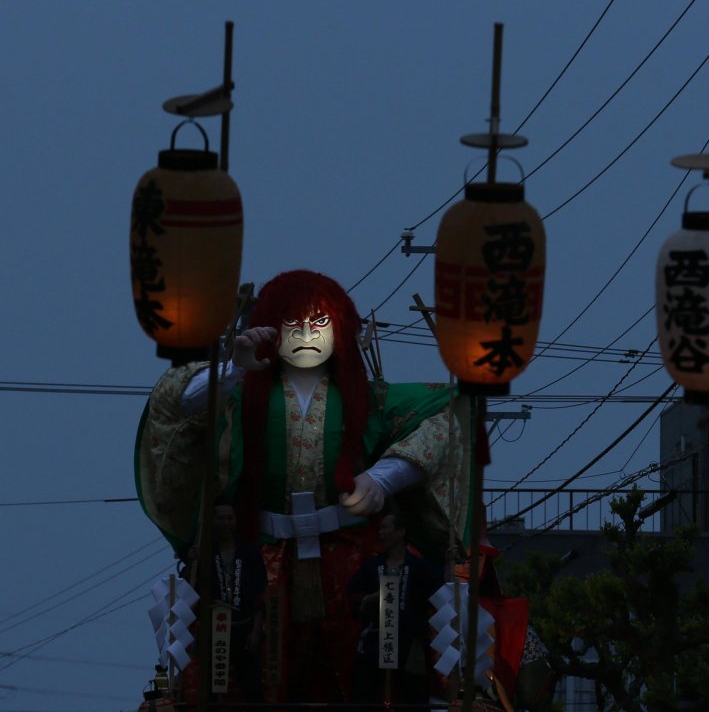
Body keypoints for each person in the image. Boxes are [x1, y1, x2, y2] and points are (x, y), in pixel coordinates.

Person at [135, 269, 473, 704]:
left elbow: (446, 417)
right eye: (294, 325)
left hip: (350, 549)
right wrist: (234, 369)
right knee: (255, 669)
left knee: (369, 667)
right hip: (265, 555)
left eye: (320, 324)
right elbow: (179, 403)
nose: (308, 336)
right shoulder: (239, 394)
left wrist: (385, 476)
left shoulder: (369, 399)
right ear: (270, 330)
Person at [346, 512, 443, 708]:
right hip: (375, 641)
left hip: (409, 644)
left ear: (400, 532)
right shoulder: (372, 565)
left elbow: (440, 592)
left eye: (385, 528)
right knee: (362, 697)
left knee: (416, 699)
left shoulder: (419, 566)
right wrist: (372, 598)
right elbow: (352, 596)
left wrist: (450, 564)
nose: (380, 533)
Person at [182, 497, 267, 703]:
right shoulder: (204, 554)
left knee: (252, 688)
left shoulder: (249, 553)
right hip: (214, 631)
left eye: (230, 518)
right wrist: (192, 561)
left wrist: (256, 632)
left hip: (244, 629)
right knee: (210, 688)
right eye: (221, 518)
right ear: (212, 521)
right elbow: (187, 590)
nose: (226, 523)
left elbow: (260, 596)